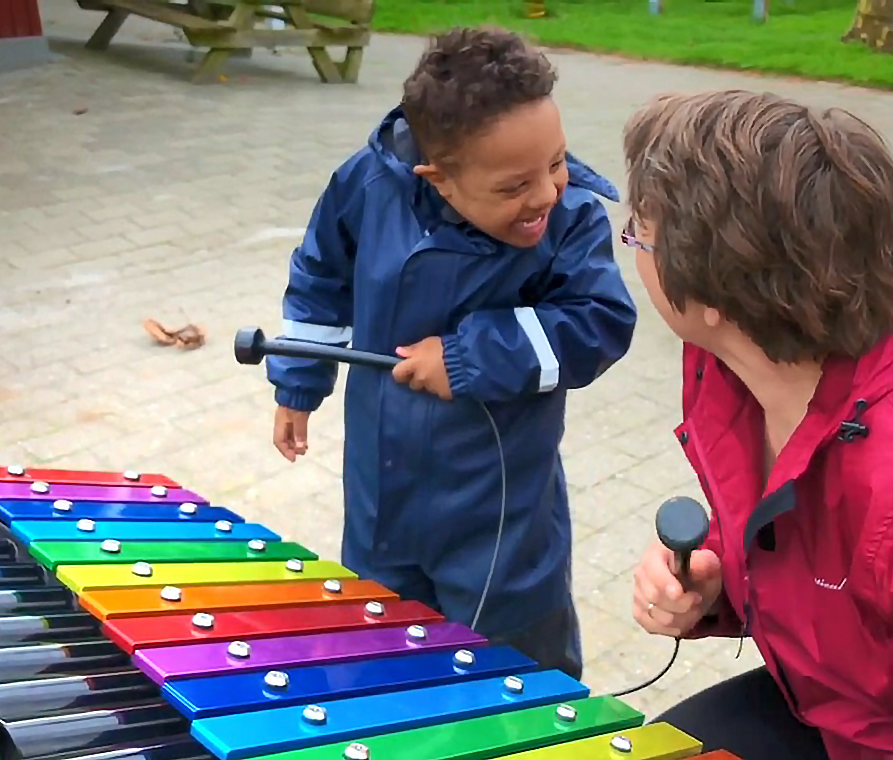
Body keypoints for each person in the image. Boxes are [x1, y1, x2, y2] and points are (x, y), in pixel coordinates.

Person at [620, 90, 893, 759]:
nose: (632, 249)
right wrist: (718, 579)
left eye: (638, 235)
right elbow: (832, 549)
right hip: (841, 712)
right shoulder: (735, 373)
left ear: (709, 293)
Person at [265, 27, 637, 680]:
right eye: (516, 184)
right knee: (382, 639)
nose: (547, 192)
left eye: (558, 161)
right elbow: (321, 275)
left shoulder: (569, 218)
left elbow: (599, 323)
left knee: (513, 662)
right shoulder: (367, 184)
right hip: (380, 486)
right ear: (437, 179)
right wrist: (298, 383)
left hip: (500, 507)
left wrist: (468, 356)